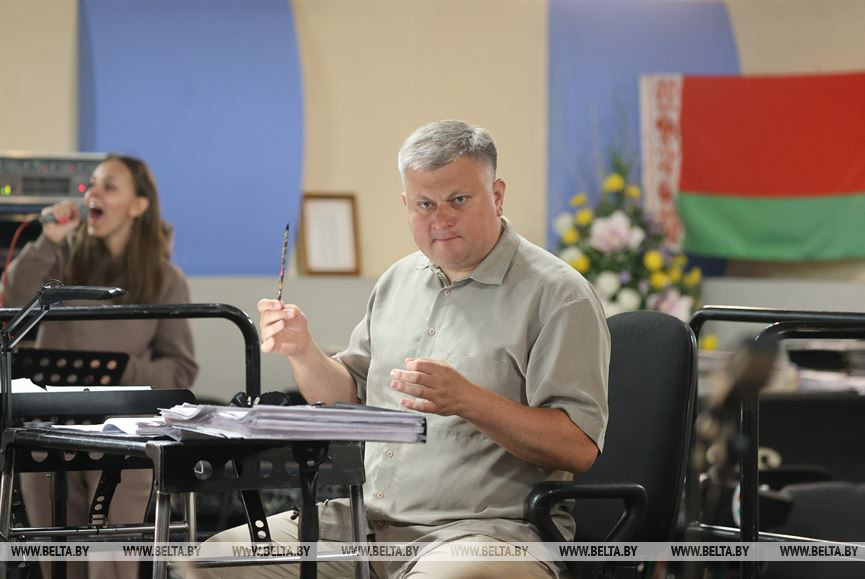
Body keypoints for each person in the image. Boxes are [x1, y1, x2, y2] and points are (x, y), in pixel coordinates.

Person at [199, 120, 609, 578]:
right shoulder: (398, 281)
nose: (441, 219)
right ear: (406, 205)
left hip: (486, 534)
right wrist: (303, 351)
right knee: (214, 561)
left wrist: (468, 401)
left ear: (497, 195)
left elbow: (578, 447)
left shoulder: (558, 295)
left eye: (458, 200)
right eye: (425, 204)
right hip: (366, 526)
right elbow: (345, 400)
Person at [4, 153, 199, 579]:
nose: (93, 193)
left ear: (138, 205)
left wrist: (119, 372)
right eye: (92, 184)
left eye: (109, 186)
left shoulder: (165, 278)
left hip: (123, 440)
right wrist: (48, 239)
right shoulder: (60, 260)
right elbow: (14, 297)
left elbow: (181, 370)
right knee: (56, 559)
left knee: (111, 559)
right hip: (48, 434)